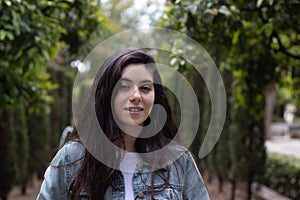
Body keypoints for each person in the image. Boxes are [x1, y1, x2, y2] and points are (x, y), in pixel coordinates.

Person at [37, 49, 210, 199]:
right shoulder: (73, 158)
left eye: (145, 88)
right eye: (124, 86)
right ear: (107, 96)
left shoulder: (178, 161)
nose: (136, 96)